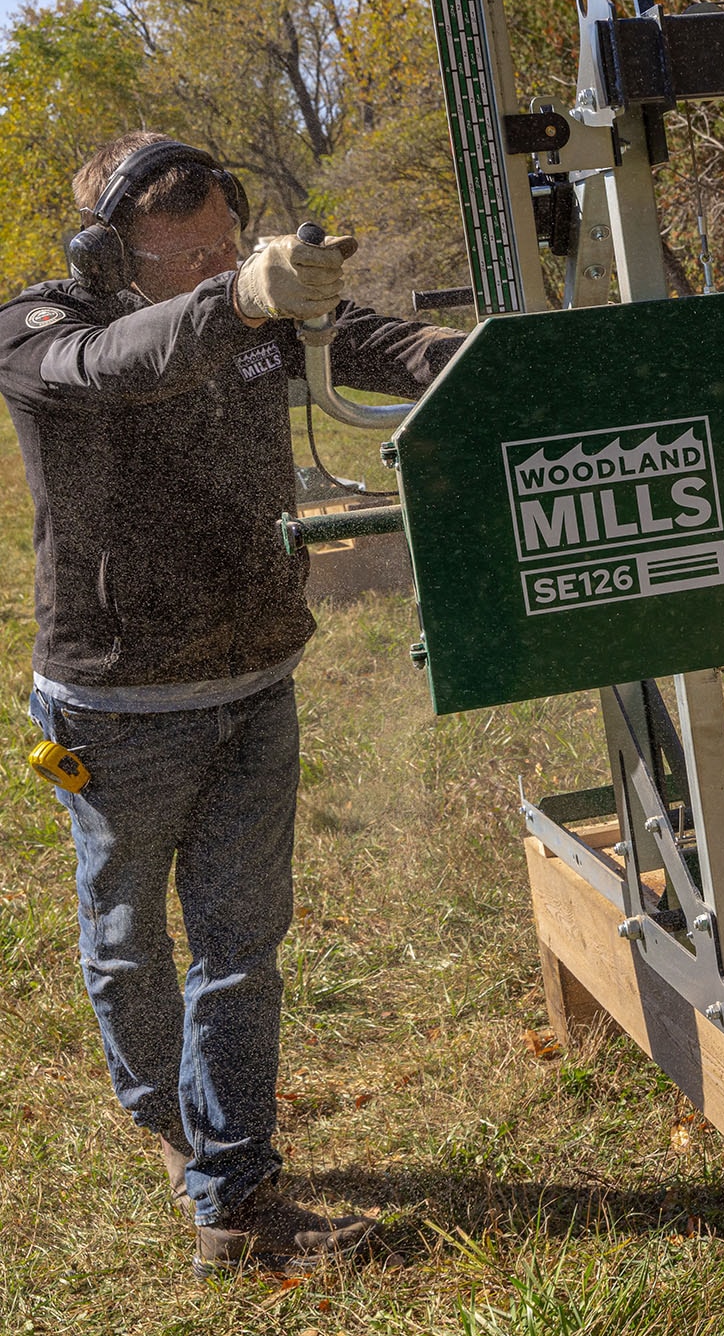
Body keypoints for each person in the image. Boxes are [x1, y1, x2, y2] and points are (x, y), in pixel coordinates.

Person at [0, 132, 462, 1277]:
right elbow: (119, 367)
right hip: (115, 701)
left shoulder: (258, 319)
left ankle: (233, 1192)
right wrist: (241, 296)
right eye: (188, 257)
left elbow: (381, 342)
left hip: (256, 679)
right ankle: (160, 1109)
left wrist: (491, 360)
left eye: (228, 250)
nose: (214, 273)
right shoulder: (38, 329)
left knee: (239, 947)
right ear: (110, 254)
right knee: (122, 940)